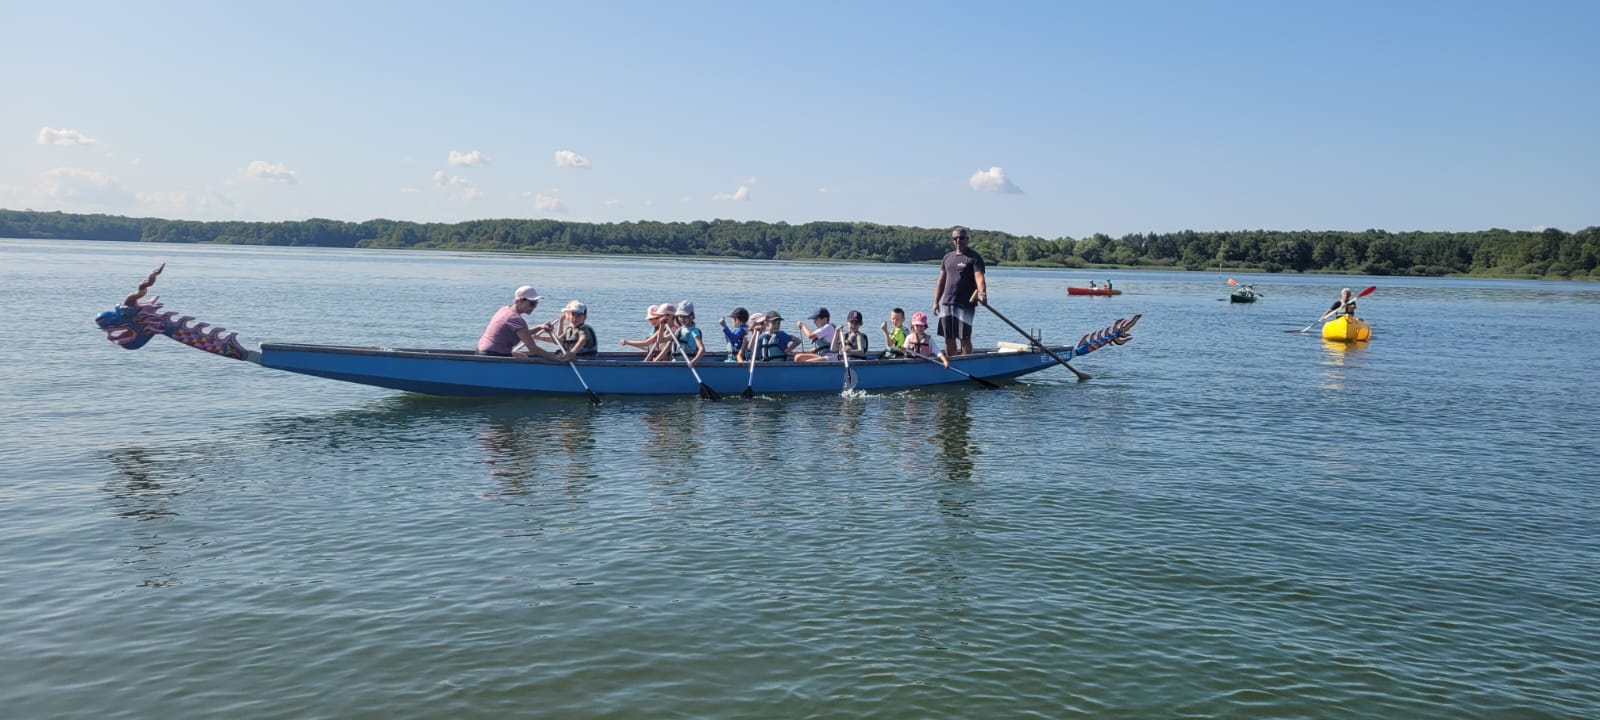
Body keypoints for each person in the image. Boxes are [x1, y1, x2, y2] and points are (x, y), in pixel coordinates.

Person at [933, 226, 987, 357]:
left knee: (964, 338)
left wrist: (982, 293)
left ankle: (966, 362)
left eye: (961, 238)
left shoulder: (974, 258)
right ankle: (952, 363)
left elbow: (979, 277)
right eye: (955, 238)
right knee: (948, 338)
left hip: (965, 304)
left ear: (967, 239)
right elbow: (941, 281)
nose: (958, 240)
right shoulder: (947, 258)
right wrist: (935, 302)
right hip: (946, 304)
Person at [477, 285, 562, 360]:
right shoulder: (515, 319)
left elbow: (524, 334)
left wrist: (540, 327)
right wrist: (558, 359)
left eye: (536, 303)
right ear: (520, 301)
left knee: (522, 356)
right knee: (526, 356)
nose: (534, 307)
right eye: (532, 303)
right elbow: (533, 349)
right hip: (493, 355)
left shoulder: (504, 309)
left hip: (482, 351)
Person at [672, 301, 706, 366]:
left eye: (685, 316)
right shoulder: (679, 330)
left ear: (692, 316)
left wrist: (694, 361)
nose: (682, 319)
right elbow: (661, 339)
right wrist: (662, 326)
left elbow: (702, 349)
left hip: (687, 361)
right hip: (676, 361)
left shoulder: (694, 331)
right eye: (680, 316)